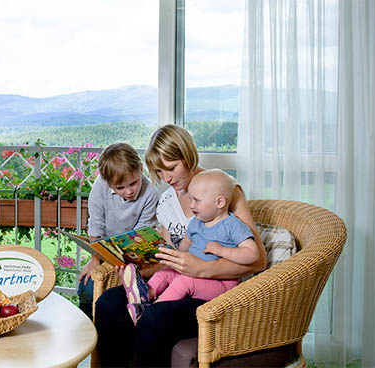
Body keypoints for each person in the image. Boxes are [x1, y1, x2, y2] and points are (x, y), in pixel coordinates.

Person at [94, 124, 267, 367]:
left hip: (213, 291)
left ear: (187, 156)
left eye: (171, 168)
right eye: (158, 171)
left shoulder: (222, 190)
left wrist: (203, 269)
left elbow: (259, 260)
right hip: (177, 281)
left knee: (154, 317)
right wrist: (138, 269)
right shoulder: (165, 201)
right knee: (108, 303)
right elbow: (171, 258)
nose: (166, 178)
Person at [122, 169, 259, 324]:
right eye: (190, 199)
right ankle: (145, 293)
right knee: (167, 271)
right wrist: (172, 258)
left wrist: (222, 251)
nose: (191, 205)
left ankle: (150, 310)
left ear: (219, 202)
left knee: (185, 281)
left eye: (196, 200)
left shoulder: (233, 225)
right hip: (193, 273)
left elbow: (252, 254)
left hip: (221, 284)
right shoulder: (196, 222)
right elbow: (185, 245)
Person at [77, 142, 159, 320]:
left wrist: (129, 263)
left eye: (133, 183)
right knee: (86, 285)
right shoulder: (101, 186)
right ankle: (86, 327)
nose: (129, 192)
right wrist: (94, 259)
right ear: (108, 183)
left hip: (132, 255)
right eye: (120, 188)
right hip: (104, 249)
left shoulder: (150, 193)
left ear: (140, 169)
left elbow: (142, 234)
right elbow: (96, 223)